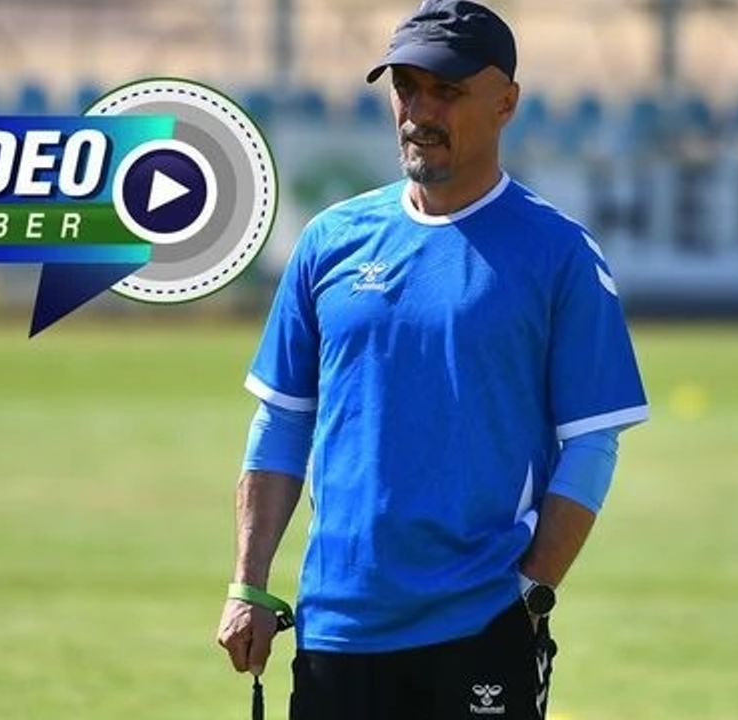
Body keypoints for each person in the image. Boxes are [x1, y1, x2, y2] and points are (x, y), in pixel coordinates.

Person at [216, 1, 649, 717]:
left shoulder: (559, 254)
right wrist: (249, 583)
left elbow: (592, 442)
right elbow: (283, 422)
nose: (419, 111)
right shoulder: (329, 241)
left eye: (446, 90)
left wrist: (532, 590)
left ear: (506, 103)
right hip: (337, 628)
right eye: (406, 88)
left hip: (479, 625)